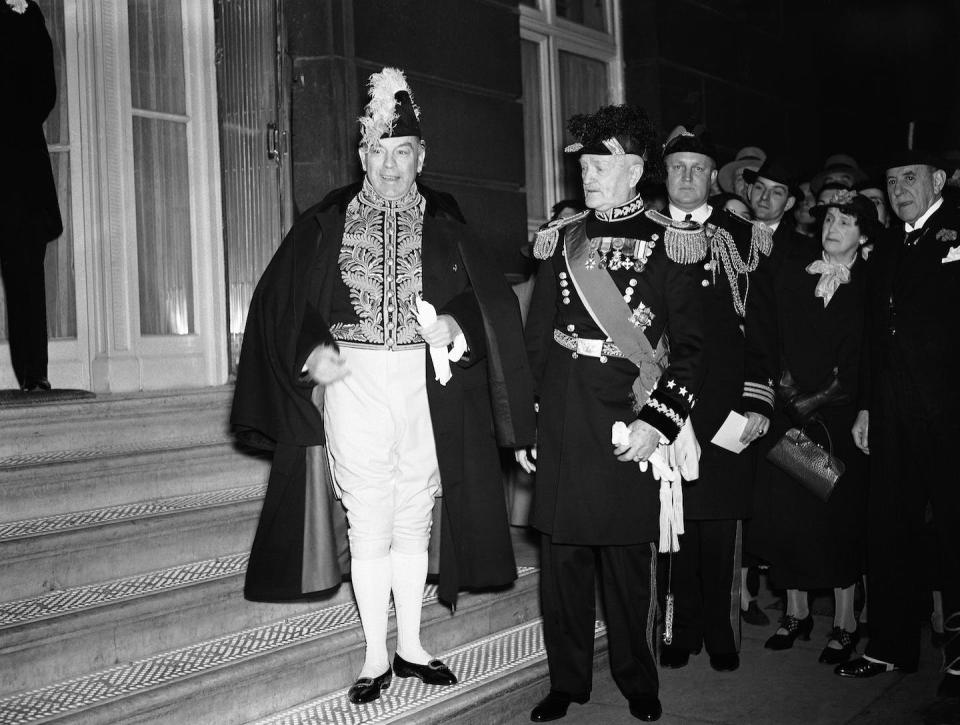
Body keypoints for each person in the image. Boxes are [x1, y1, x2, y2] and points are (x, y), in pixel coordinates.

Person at [230, 67, 535, 705]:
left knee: (415, 512)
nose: (391, 166)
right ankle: (374, 654)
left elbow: (488, 305)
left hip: (429, 382)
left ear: (421, 157)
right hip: (356, 380)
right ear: (361, 154)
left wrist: (453, 322)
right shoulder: (326, 221)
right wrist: (327, 372)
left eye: (403, 153)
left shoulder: (448, 221)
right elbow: (282, 308)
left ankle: (412, 645)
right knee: (367, 518)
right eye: (379, 152)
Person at [516, 104, 704, 723]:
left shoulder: (668, 240)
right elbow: (536, 339)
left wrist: (660, 423)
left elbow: (695, 351)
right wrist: (527, 423)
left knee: (626, 567)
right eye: (586, 165)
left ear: (635, 169)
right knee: (563, 568)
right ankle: (567, 682)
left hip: (629, 418)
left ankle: (636, 678)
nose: (588, 176)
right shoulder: (564, 237)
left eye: (602, 165)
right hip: (568, 419)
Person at [837, 153, 960, 701]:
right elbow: (870, 336)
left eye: (910, 178)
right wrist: (865, 406)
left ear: (937, 181)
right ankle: (890, 646)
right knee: (887, 526)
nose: (898, 189)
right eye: (890, 182)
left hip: (950, 410)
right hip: (891, 410)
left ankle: (959, 659)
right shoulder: (885, 245)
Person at [656, 127, 776, 674]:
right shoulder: (645, 233)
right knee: (672, 530)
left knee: (721, 531)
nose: (686, 177)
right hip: (666, 408)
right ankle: (678, 631)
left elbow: (763, 330)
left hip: (726, 408)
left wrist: (758, 400)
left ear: (711, 177)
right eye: (677, 166)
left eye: (696, 168)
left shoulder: (742, 238)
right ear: (665, 174)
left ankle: (723, 634)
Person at [750, 189, 875, 664]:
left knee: (836, 521)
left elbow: (865, 359)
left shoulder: (868, 285)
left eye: (846, 221)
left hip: (840, 421)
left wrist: (816, 399)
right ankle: (796, 612)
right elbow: (772, 335)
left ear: (863, 235)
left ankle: (844, 623)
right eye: (829, 220)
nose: (833, 227)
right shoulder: (792, 275)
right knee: (791, 518)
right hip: (791, 417)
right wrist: (788, 394)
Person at [0, 0, 63, 392]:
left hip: (19, 166)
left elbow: (45, 90)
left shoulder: (27, 12)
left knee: (25, 271)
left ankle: (34, 374)